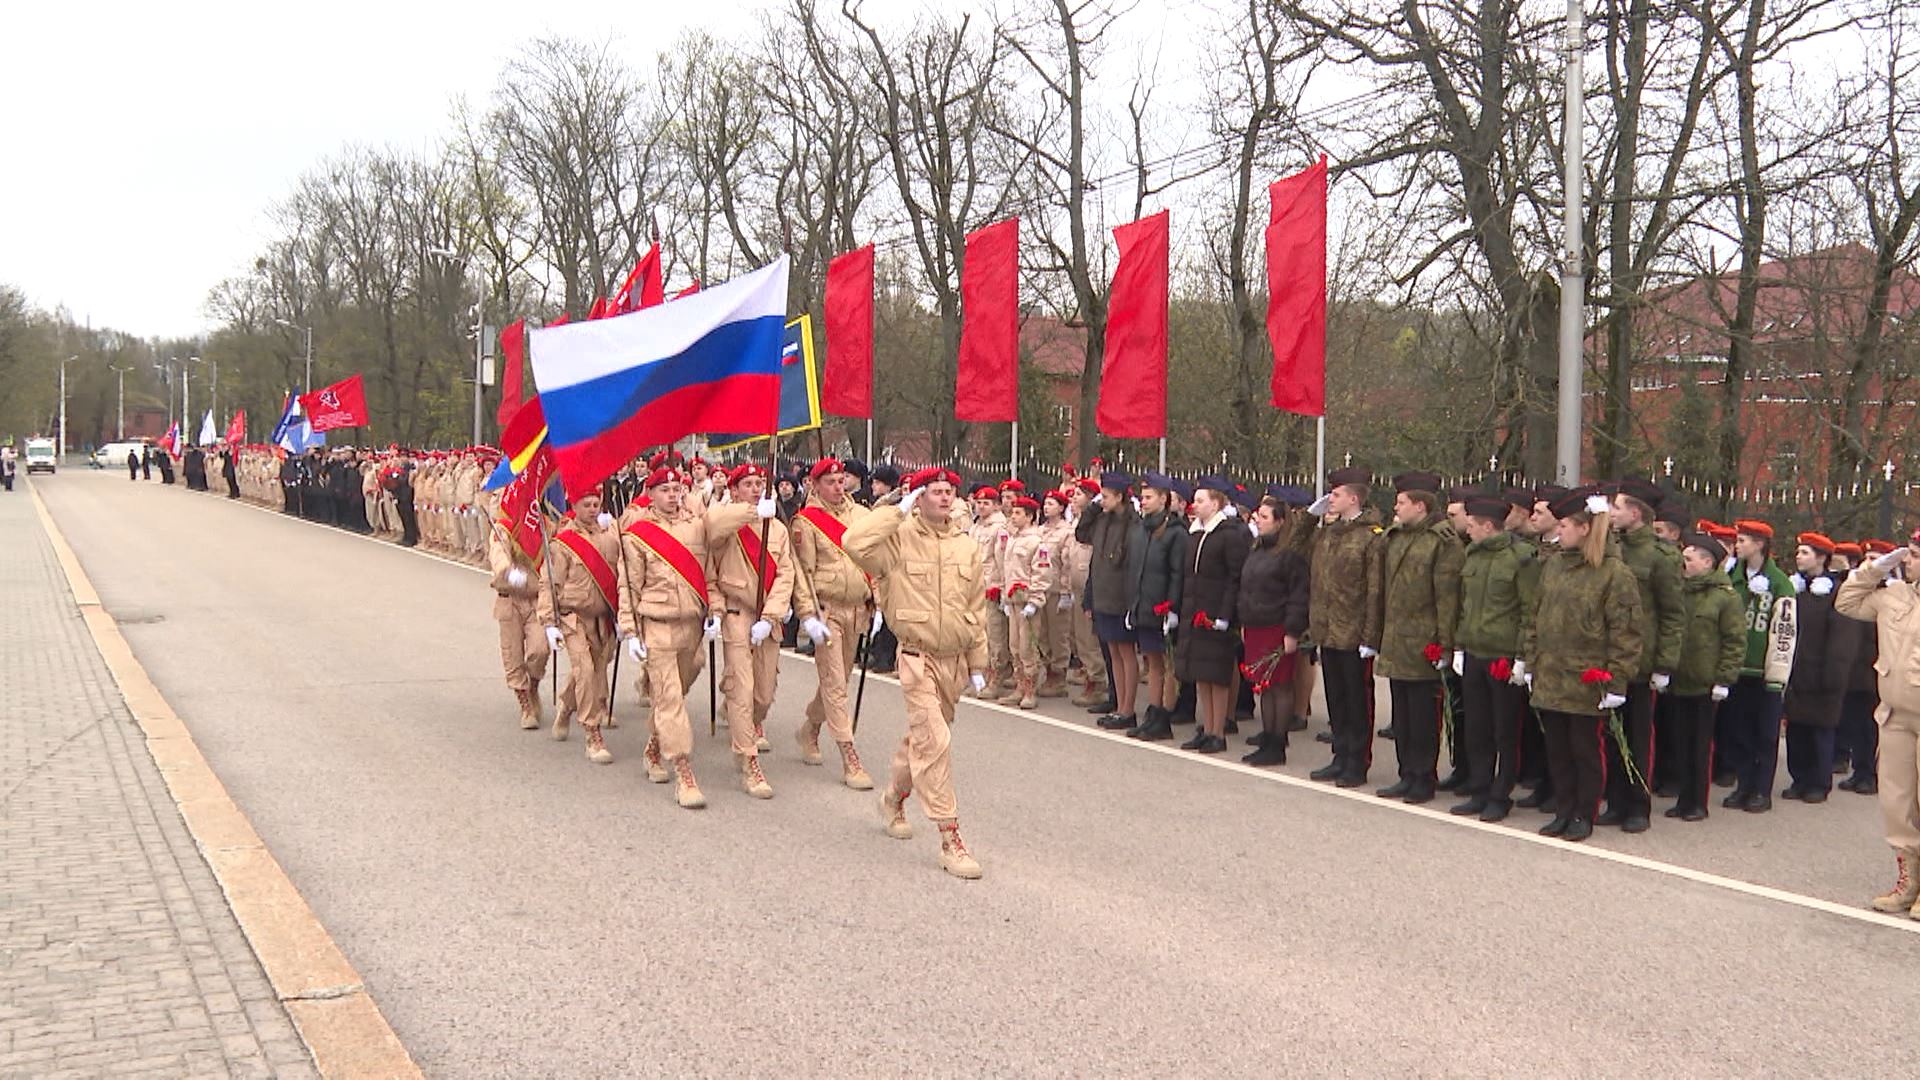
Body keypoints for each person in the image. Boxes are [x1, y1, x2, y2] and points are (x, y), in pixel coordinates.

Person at [844, 467, 989, 880]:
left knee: (922, 741)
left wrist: (978, 663)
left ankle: (893, 797)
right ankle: (950, 837)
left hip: (954, 661)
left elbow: (975, 608)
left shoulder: (966, 545)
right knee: (936, 742)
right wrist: (895, 509)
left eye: (949, 492)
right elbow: (854, 542)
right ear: (919, 497)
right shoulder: (898, 539)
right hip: (916, 656)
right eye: (935, 492)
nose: (944, 498)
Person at [1518, 489, 1644, 842]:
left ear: (1585, 528)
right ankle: (1564, 808)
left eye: (1566, 525)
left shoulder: (1613, 573)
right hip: (1552, 673)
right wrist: (1530, 661)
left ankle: (1583, 814)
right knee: (1556, 749)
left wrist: (1617, 681)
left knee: (1585, 751)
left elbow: (1627, 632)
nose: (1561, 531)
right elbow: (1535, 615)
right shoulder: (1555, 564)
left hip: (1587, 678)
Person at [616, 466, 728, 809]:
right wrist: (630, 630)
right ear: (651, 494)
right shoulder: (638, 533)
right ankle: (684, 772)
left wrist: (716, 611)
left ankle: (653, 745)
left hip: (693, 622)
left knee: (679, 688)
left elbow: (710, 575)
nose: (673, 494)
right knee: (668, 697)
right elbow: (629, 585)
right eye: (665, 489)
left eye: (677, 488)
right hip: (658, 622)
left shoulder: (697, 527)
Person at [1835, 532, 1920, 916]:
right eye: (1909, 554)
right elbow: (1846, 602)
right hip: (1895, 714)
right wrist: (1873, 569)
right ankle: (1909, 882)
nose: (1908, 561)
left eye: (1916, 556)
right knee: (1896, 803)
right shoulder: (1894, 595)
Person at [1374, 472, 1464, 804]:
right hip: (1398, 638)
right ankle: (1405, 773)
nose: (1395, 508)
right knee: (1403, 714)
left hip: (1425, 640)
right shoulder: (1395, 537)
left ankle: (1423, 777)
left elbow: (1447, 597)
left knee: (1424, 716)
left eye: (1401, 502)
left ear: (1420, 505)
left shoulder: (1443, 541)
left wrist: (1445, 643)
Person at [709, 463, 797, 798]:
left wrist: (772, 614)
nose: (757, 488)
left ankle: (740, 715)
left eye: (760, 483)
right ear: (734, 490)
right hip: (736, 614)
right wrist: (747, 513)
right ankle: (748, 762)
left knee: (763, 693)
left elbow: (786, 574)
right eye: (747, 484)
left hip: (766, 619)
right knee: (743, 690)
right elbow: (712, 525)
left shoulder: (776, 529)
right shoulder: (727, 521)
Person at [1601, 480, 1685, 834]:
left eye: (1617, 507)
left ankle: (1638, 803)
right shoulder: (1612, 548)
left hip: (1642, 658)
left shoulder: (1661, 556)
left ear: (1636, 513)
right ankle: (1616, 800)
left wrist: (1664, 664)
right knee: (1610, 732)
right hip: (1611, 656)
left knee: (1637, 736)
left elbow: (1673, 614)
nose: (1612, 513)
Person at [790, 457, 877, 791]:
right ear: (815, 485)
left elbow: (874, 559)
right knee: (835, 682)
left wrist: (877, 600)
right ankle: (849, 756)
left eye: (842, 481)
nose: (838, 487)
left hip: (857, 607)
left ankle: (810, 728)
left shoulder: (861, 516)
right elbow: (803, 573)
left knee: (839, 679)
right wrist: (809, 614)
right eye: (831, 482)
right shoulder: (806, 522)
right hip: (827, 609)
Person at [1297, 467, 1387, 787]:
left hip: (1354, 632)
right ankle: (1340, 755)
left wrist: (1371, 636)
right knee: (1336, 698)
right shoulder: (1327, 533)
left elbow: (1375, 590)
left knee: (1357, 700)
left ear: (1353, 498)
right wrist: (1310, 516)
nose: (1329, 499)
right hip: (1327, 629)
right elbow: (1294, 547)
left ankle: (1357, 761)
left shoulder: (1371, 537)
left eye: (1335, 494)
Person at [1450, 497, 1538, 821]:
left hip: (1502, 655)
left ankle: (1501, 794)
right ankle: (1480, 788)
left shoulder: (1521, 559)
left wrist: (1522, 658)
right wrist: (1459, 646)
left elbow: (1530, 610)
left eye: (1472, 524)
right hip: (1474, 652)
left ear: (1489, 526)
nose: (1467, 529)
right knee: (1476, 727)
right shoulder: (1472, 556)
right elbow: (1465, 606)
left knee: (1504, 730)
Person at [537, 487, 623, 765]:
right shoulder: (563, 542)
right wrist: (549, 622)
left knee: (594, 672)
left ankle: (566, 706)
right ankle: (592, 732)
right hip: (573, 616)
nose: (593, 509)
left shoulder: (611, 537)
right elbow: (550, 583)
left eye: (596, 503)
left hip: (602, 618)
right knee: (584, 670)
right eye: (587, 504)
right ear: (575, 504)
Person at [1717, 520, 1798, 813]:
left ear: (1760, 544)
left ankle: (1761, 790)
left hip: (1763, 672)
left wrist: (1777, 673)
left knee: (1764, 732)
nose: (1737, 545)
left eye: (1743, 540)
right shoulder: (1730, 578)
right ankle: (1743, 784)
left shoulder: (1780, 583)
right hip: (1735, 668)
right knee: (1738, 731)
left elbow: (1784, 631)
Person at [1665, 534, 1746, 821]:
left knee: (1699, 745)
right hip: (1679, 678)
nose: (1683, 563)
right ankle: (1683, 798)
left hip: (1704, 681)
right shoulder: (1680, 591)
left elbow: (1734, 640)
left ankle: (1697, 802)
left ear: (1707, 562)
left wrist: (1724, 678)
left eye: (1689, 559)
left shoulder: (1725, 597)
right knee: (1680, 742)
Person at [1174, 478, 1253, 754]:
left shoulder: (1229, 534)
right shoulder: (1196, 532)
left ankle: (1218, 732)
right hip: (1196, 612)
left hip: (1217, 615)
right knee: (1201, 674)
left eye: (1201, 500)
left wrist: (1225, 615)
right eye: (1195, 500)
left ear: (1216, 503)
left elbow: (1235, 578)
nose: (1195, 505)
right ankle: (1206, 728)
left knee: (1217, 675)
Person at [1782, 532, 1861, 803]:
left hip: (1823, 673)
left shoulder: (1836, 592)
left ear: (1822, 558)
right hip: (1797, 671)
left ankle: (1818, 782)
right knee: (1797, 730)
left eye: (1805, 552)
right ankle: (1799, 778)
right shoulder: (1795, 588)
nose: (1798, 557)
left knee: (1820, 730)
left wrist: (1834, 675)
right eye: (1799, 552)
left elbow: (1843, 638)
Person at [1235, 495, 1310, 765]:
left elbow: (1298, 596)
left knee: (1279, 686)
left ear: (1280, 522)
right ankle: (1267, 736)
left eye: (1264, 517)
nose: (1258, 519)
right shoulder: (1257, 549)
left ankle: (1277, 743)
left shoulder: (1290, 555)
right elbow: (1246, 587)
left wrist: (1292, 631)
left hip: (1276, 626)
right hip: (1256, 624)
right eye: (1258, 515)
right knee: (1263, 686)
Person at [1077, 471, 1145, 729]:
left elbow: (1132, 565)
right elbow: (1082, 534)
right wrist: (1093, 508)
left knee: (1126, 653)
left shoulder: (1133, 524)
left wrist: (1131, 603)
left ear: (1120, 496)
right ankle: (1118, 705)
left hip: (1121, 597)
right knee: (1113, 653)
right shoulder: (1103, 519)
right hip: (1103, 594)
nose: (1101, 500)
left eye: (1105, 496)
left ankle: (1128, 709)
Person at [1125, 475, 1189, 741]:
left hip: (1162, 607)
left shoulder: (1175, 533)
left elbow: (1177, 573)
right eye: (1143, 496)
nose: (1144, 500)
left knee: (1165, 664)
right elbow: (1135, 570)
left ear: (1164, 499)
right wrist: (1133, 604)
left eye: (1149, 496)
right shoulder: (1141, 529)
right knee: (1151, 662)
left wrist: (1172, 608)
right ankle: (1153, 712)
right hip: (1143, 604)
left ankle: (1164, 716)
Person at [487, 492, 550, 731]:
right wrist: (508, 571)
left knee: (540, 649)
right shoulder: (501, 529)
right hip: (510, 599)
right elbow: (498, 556)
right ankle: (525, 703)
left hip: (536, 599)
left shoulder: (544, 526)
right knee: (513, 656)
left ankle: (533, 684)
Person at [997, 495, 1053, 709]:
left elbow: (1042, 572)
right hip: (1013, 601)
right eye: (1012, 512)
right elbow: (1006, 570)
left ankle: (1030, 690)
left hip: (1028, 602)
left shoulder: (1036, 542)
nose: (1013, 516)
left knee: (1027, 646)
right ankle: (1019, 687)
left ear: (1030, 517)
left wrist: (1035, 600)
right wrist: (1004, 597)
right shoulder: (1013, 539)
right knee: (1014, 646)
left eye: (1018, 513)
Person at [1838, 541, 1882, 794]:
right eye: (1867, 558)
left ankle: (1870, 774)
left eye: (1875, 558)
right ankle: (1860, 770)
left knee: (1871, 727)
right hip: (1854, 669)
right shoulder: (1856, 590)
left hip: (1875, 670)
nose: (1869, 563)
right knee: (1855, 723)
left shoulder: (1888, 593)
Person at [1035, 490, 1077, 699]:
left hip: (1056, 589)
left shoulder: (1066, 532)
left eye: (1051, 503)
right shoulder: (1039, 530)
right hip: (1040, 588)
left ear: (1061, 508)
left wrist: (1066, 592)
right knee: (1042, 634)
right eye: (1045, 503)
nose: (1046, 507)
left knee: (1058, 634)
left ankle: (1058, 674)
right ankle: (1048, 669)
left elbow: (1067, 564)